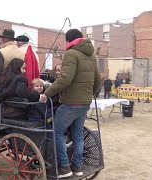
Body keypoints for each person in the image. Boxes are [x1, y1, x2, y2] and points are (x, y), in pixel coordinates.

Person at [40, 29, 101, 178]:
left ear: (69, 41)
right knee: (78, 134)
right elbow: (98, 80)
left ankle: (65, 168)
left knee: (57, 131)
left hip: (71, 103)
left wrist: (46, 94)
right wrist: (90, 94)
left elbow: (65, 79)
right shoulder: (91, 56)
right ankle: (78, 167)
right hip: (84, 103)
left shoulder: (71, 54)